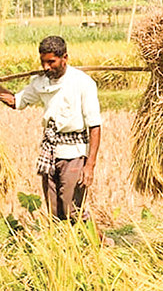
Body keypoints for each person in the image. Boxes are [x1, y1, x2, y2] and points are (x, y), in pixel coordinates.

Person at [0, 36, 103, 226]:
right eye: (43, 62)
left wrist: (90, 166)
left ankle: (100, 242)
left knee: (71, 208)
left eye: (51, 62)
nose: (46, 67)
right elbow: (16, 101)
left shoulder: (83, 83)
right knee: (55, 211)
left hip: (75, 153)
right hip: (50, 152)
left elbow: (94, 125)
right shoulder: (40, 82)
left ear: (65, 58)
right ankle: (64, 249)